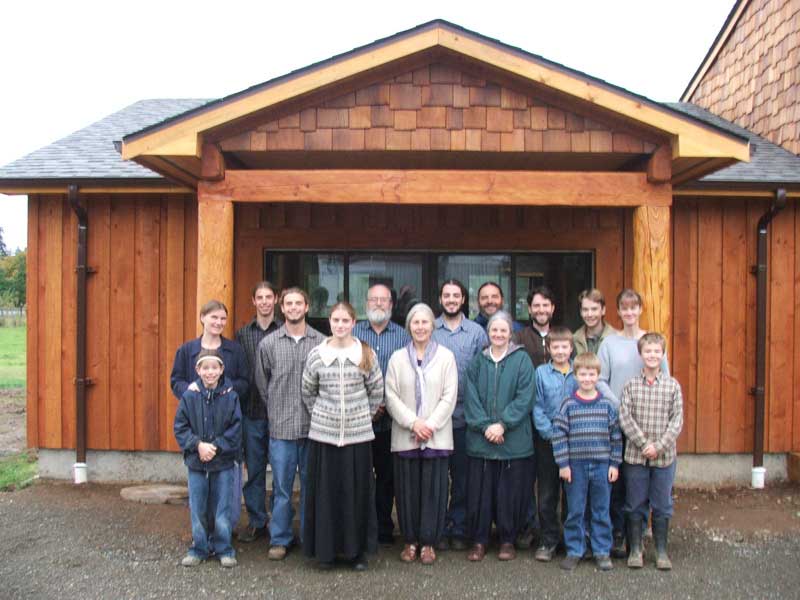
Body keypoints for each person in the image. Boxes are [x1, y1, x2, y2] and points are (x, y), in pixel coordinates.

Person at [301, 302, 384, 571]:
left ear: (353, 322)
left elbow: (376, 391)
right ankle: (325, 552)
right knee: (326, 495)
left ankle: (355, 553)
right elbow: (308, 392)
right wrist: (325, 417)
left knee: (355, 495)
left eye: (345, 320)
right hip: (324, 437)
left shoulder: (365, 354)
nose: (340, 325)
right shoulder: (316, 355)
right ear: (329, 322)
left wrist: (361, 417)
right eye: (335, 320)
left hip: (357, 438)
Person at [597, 288, 669, 557]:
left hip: (649, 425)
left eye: (633, 308)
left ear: (640, 310)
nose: (629, 313)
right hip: (618, 422)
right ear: (618, 311)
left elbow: (666, 381)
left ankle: (639, 535)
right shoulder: (609, 344)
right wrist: (620, 406)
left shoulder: (652, 342)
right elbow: (601, 380)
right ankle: (618, 534)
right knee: (617, 482)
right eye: (624, 308)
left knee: (644, 482)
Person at [385, 303, 458, 565]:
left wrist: (429, 425)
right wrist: (414, 423)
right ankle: (411, 541)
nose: (420, 327)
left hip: (436, 436)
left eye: (425, 322)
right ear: (409, 327)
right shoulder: (396, 358)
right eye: (415, 323)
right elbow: (391, 397)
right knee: (406, 491)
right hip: (406, 436)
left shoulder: (446, 357)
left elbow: (449, 396)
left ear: (432, 326)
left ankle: (429, 542)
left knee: (434, 491)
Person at [255, 287, 324, 561]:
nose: (294, 308)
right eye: (289, 304)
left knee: (311, 486)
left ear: (307, 307)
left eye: (299, 303)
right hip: (282, 430)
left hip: (313, 428)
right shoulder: (268, 344)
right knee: (282, 488)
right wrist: (276, 409)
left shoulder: (321, 343)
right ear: (281, 308)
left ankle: (310, 538)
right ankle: (280, 539)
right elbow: (263, 386)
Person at [170, 300, 249, 534]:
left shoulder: (234, 351)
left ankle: (225, 533)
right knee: (200, 486)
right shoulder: (187, 350)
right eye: (214, 317)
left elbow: (245, 382)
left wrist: (227, 390)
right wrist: (190, 390)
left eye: (223, 319)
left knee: (227, 484)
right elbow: (175, 380)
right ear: (202, 317)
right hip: (198, 425)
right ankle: (202, 536)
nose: (218, 322)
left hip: (225, 426)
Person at [464, 311, 535, 562]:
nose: (498, 334)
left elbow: (526, 397)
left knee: (509, 495)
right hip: (482, 442)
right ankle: (479, 541)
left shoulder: (522, 360)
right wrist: (486, 426)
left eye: (503, 330)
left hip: (512, 442)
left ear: (510, 333)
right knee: (480, 495)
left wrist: (503, 425)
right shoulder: (478, 361)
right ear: (488, 333)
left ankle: (507, 540)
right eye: (494, 330)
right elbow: (469, 395)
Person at [431, 279, 488, 550]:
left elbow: (483, 374)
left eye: (456, 295)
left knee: (463, 479)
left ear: (463, 299)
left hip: (467, 417)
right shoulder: (429, 328)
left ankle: (459, 527)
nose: (451, 300)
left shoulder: (477, 333)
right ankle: (439, 528)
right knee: (439, 479)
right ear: (440, 299)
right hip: (436, 419)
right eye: (446, 295)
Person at [552, 352, 622, 572]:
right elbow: (559, 435)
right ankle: (575, 549)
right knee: (575, 509)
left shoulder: (607, 406)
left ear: (598, 376)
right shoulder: (568, 404)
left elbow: (616, 437)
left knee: (601, 509)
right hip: (575, 467)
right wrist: (563, 464)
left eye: (591, 374)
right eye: (583, 374)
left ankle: (601, 550)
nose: (587, 379)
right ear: (576, 375)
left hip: (602, 466)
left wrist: (614, 464)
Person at [619, 332, 683, 570]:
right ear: (641, 354)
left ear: (663, 354)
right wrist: (644, 443)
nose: (652, 355)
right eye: (648, 351)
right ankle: (635, 549)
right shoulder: (631, 386)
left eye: (657, 351)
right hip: (636, 456)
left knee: (662, 503)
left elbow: (677, 421)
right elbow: (625, 417)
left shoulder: (672, 385)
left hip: (664, 457)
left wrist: (658, 446)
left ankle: (662, 551)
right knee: (635, 503)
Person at [353, 283, 411, 545]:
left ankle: (385, 530)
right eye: (374, 299)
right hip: (358, 422)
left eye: (384, 300)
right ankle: (363, 529)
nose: (378, 304)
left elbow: (408, 375)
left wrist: (385, 404)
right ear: (366, 303)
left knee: (388, 479)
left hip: (391, 421)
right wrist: (367, 406)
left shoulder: (403, 336)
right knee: (360, 478)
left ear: (391, 305)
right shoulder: (353, 334)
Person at [174, 349, 242, 568]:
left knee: (222, 508)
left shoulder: (230, 395)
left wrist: (216, 447)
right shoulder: (190, 396)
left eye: (214, 368)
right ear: (198, 370)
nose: (210, 372)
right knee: (198, 507)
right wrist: (198, 446)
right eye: (205, 368)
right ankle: (199, 548)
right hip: (196, 463)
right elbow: (180, 427)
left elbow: (236, 427)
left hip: (222, 462)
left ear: (221, 370)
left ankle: (224, 548)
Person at [235, 281, 282, 542]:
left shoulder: (283, 331)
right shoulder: (242, 334)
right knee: (253, 470)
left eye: (268, 297)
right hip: (251, 412)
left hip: (278, 414)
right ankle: (256, 520)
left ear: (275, 300)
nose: (264, 302)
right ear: (253, 301)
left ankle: (278, 519)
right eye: (259, 297)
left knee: (279, 470)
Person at [512, 285, 556, 549]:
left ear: (553, 308)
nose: (541, 310)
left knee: (551, 481)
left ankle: (552, 531)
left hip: (554, 422)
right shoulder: (519, 338)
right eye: (536, 306)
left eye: (545, 305)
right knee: (526, 480)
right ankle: (528, 528)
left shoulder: (563, 337)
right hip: (526, 420)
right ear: (529, 309)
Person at [531, 326, 577, 562]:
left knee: (571, 494)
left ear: (571, 348)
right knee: (548, 493)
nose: (560, 351)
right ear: (549, 348)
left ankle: (571, 541)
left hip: (574, 444)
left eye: (564, 347)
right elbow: (537, 406)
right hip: (548, 442)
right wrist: (550, 433)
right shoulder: (541, 373)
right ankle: (548, 540)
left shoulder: (579, 373)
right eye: (555, 347)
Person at [573, 288, 619, 356]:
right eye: (585, 310)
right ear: (580, 312)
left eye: (594, 309)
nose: (589, 314)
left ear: (603, 310)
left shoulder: (616, 337)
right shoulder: (574, 339)